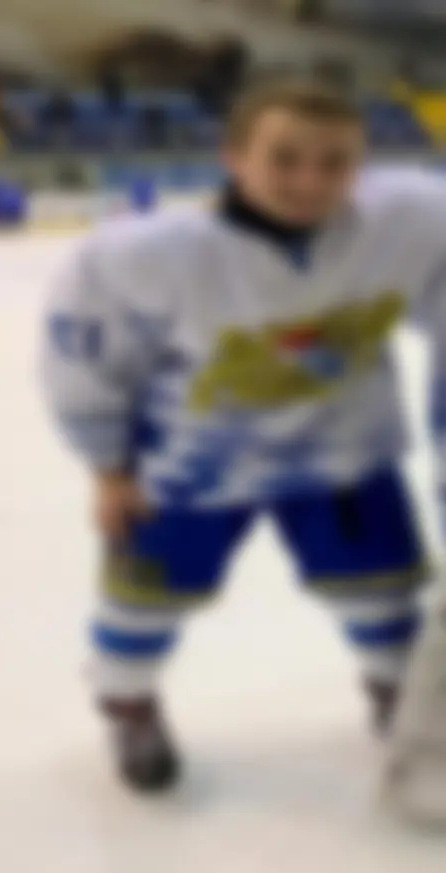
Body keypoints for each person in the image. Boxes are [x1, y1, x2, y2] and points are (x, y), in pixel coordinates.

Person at [41, 80, 446, 797]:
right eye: (285, 158)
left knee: (385, 595)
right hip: (194, 464)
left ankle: (398, 694)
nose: (309, 181)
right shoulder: (148, 257)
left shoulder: (409, 226)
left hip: (345, 457)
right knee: (144, 597)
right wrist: (109, 466)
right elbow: (86, 362)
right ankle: (130, 702)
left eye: (334, 162)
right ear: (234, 157)